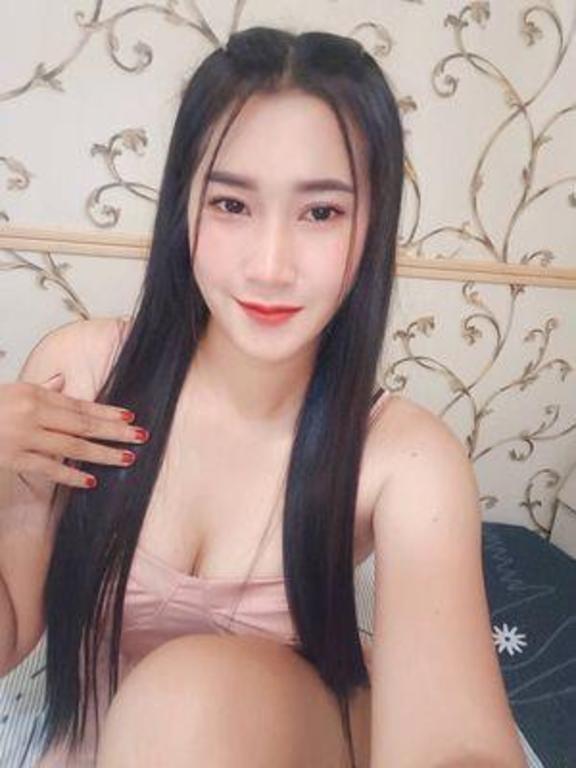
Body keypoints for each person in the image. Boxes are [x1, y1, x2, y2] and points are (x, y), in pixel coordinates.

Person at [0, 25, 526, 768]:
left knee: (187, 699)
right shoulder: (82, 380)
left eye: (321, 213)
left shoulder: (405, 461)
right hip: (103, 741)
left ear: (372, 223)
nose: (271, 266)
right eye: (231, 205)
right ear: (183, 205)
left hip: (306, 733)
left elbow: (456, 745)